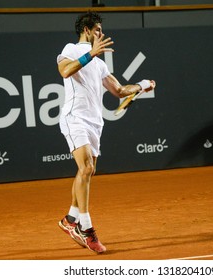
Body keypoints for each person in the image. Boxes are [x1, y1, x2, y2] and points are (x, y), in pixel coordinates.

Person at [56, 12, 156, 254]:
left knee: (86, 173)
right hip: (74, 118)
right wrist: (90, 53)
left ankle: (70, 219)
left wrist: (142, 85)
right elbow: (65, 71)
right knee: (87, 168)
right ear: (88, 30)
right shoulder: (70, 49)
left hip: (94, 123)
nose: (101, 34)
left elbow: (120, 90)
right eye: (98, 30)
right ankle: (87, 230)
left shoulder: (100, 64)